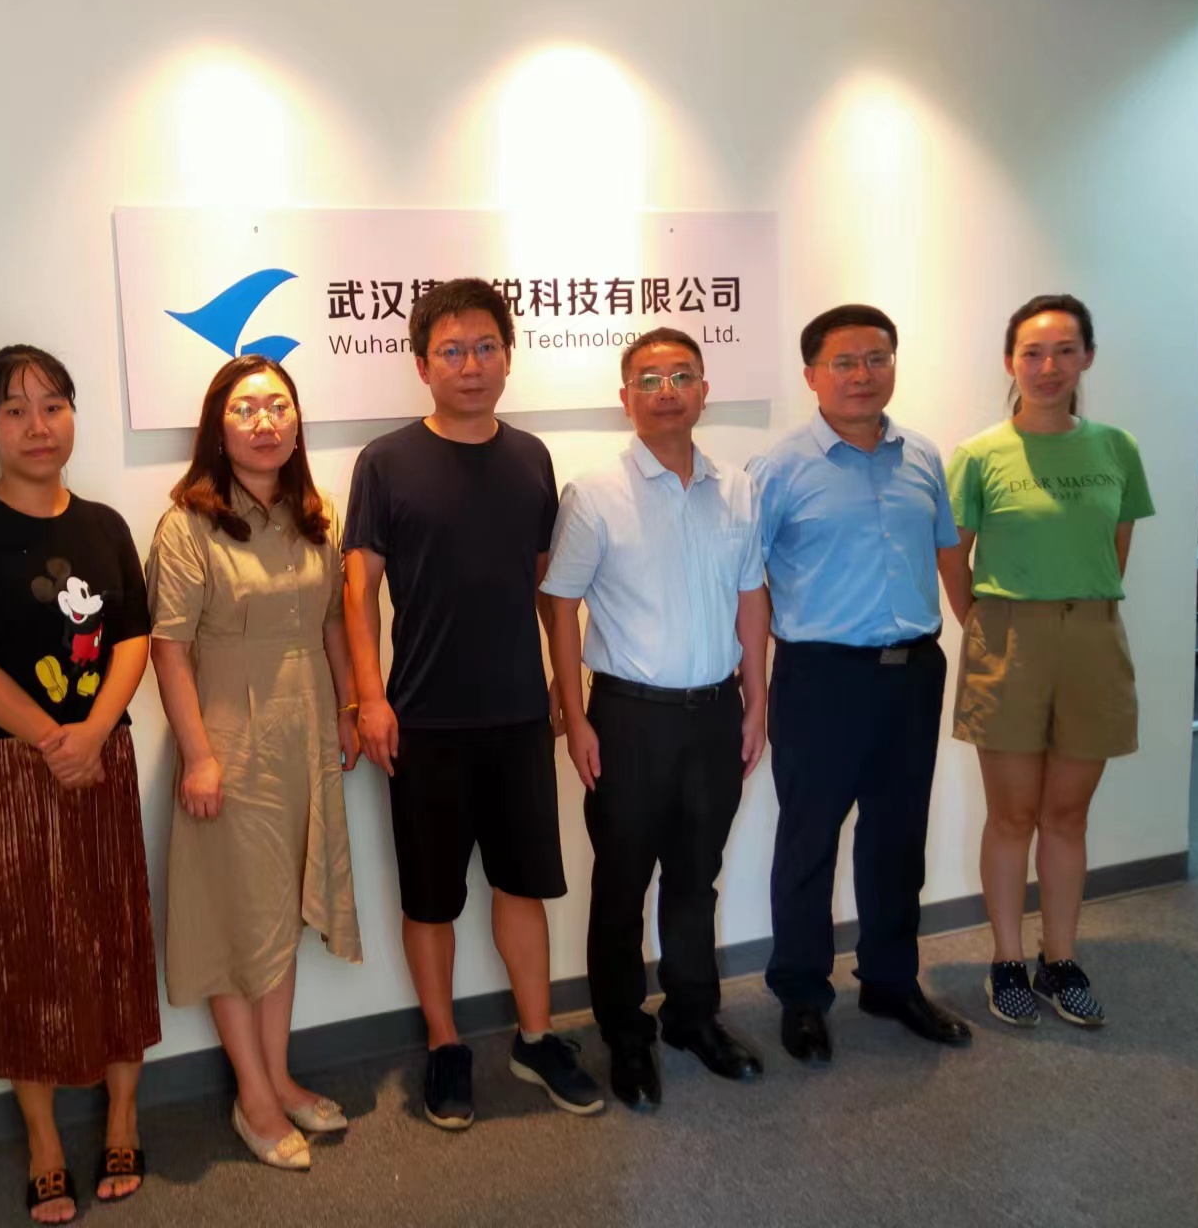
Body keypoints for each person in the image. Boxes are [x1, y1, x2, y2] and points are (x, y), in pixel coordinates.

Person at [343, 277, 603, 1130]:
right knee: (431, 898)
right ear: (422, 365)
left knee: (524, 886)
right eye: (451, 350)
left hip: (519, 715)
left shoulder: (531, 457)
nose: (470, 364)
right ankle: (446, 1044)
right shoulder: (385, 461)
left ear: (508, 357)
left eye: (486, 347)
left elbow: (547, 587)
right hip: (422, 720)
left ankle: (536, 1036)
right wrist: (369, 698)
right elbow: (358, 591)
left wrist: (565, 684)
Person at [0, 345, 158, 1222]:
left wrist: (90, 735)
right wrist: (54, 740)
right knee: (20, 951)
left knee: (115, 935)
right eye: (15, 410)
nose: (37, 425)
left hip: (101, 757)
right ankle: (44, 1140)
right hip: (0, 767)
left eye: (53, 405)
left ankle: (123, 1114)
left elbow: (132, 637)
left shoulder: (103, 526)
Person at [542, 328, 770, 1111]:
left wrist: (757, 703)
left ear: (704, 390)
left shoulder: (737, 488)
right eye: (649, 378)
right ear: (625, 397)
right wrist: (576, 718)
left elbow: (752, 599)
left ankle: (693, 1017)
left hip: (715, 715)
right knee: (621, 885)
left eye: (681, 376)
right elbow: (560, 603)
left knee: (696, 879)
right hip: (628, 720)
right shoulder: (595, 493)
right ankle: (625, 1034)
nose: (666, 390)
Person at [147, 355, 363, 1170]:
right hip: (231, 742)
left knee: (279, 914)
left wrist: (348, 707)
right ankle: (254, 1095)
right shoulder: (187, 525)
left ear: (298, 422)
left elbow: (333, 624)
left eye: (278, 405)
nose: (265, 422)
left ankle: (278, 1074)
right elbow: (169, 650)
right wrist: (199, 758)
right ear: (217, 427)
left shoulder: (317, 513)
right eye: (245, 409)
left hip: (303, 734)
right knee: (237, 918)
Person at [748, 305, 973, 1067]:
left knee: (897, 837)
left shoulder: (923, 457)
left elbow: (945, 554)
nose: (862, 375)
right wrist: (754, 680)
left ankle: (890, 980)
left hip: (913, 672)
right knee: (808, 840)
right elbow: (748, 581)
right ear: (811, 375)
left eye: (877, 359)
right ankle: (802, 994)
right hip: (821, 677)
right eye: (843, 362)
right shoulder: (779, 468)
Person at [941, 294, 1153, 1029]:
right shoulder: (979, 455)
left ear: (1087, 357)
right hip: (1009, 639)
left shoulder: (1117, 449)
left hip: (1092, 637)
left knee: (1067, 815)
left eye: (1065, 350)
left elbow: (1114, 548)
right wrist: (983, 622)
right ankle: (1006, 960)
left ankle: (1059, 958)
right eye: (1032, 352)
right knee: (1012, 815)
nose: (1049, 366)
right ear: (1010, 362)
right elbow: (953, 555)